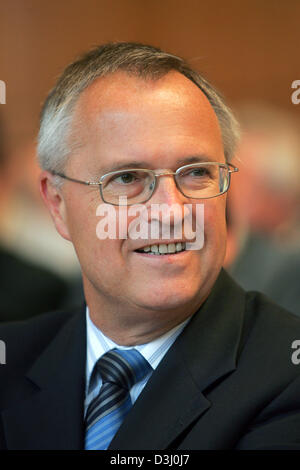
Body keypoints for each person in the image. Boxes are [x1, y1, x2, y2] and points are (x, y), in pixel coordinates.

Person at [1, 42, 300, 451]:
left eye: (196, 173)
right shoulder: (11, 359)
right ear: (57, 204)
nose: (172, 212)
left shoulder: (286, 374)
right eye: (127, 179)